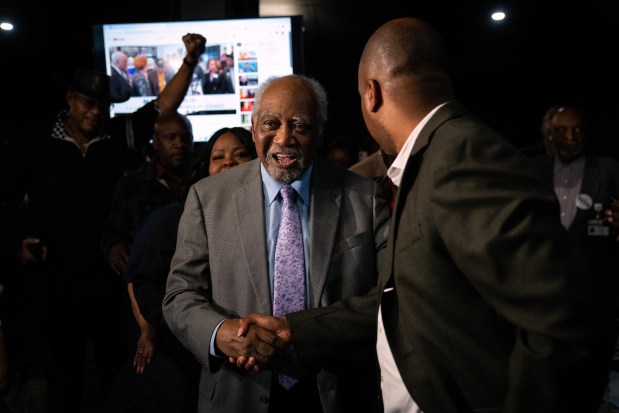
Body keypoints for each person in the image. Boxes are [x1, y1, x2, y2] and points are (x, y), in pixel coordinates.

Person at [235, 18, 618, 413]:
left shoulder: (461, 158)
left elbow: (569, 319)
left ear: (372, 94)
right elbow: (399, 297)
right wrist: (294, 329)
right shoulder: (431, 157)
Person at [162, 74, 391, 413]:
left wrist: (301, 334)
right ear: (253, 127)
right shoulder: (207, 198)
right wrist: (222, 333)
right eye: (271, 123)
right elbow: (180, 294)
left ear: (320, 132)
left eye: (300, 126)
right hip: (237, 393)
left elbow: (389, 296)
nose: (284, 138)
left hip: (337, 394)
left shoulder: (364, 196)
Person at [9, 33, 206, 413]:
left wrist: (190, 60)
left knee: (116, 370)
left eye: (102, 105)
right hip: (55, 281)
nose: (95, 112)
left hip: (107, 283)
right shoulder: (36, 144)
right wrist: (19, 241)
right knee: (63, 375)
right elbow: (8, 200)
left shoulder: (116, 136)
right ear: (69, 99)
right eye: (87, 102)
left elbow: (164, 104)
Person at [103, 126, 257, 413]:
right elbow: (142, 282)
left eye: (241, 154)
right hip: (184, 352)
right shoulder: (175, 217)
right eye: (218, 156)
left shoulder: (271, 219)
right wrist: (181, 326)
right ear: (205, 168)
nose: (228, 162)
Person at [101, 111, 196, 363]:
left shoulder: (203, 183)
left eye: (186, 138)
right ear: (155, 142)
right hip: (145, 295)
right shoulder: (131, 185)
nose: (179, 144)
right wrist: (114, 246)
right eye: (171, 137)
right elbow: (112, 231)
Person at [530, 105, 619, 316]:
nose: (570, 136)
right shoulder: (530, 169)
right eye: (562, 130)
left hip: (594, 287)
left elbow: (616, 206)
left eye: (577, 129)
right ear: (549, 134)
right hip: (541, 283)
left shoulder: (609, 171)